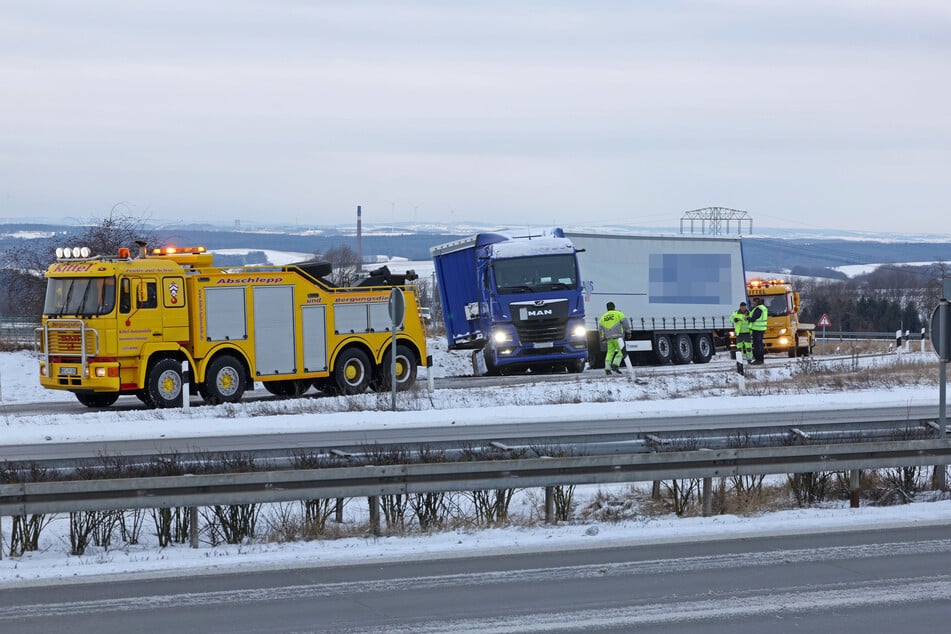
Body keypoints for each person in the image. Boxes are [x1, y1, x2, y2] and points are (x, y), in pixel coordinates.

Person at [599, 301, 627, 375]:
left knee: (609, 353)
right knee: (621, 351)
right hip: (618, 337)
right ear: (614, 307)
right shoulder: (619, 313)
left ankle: (607, 369)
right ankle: (615, 365)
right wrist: (628, 331)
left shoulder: (603, 317)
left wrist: (603, 338)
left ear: (607, 308)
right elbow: (625, 323)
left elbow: (601, 329)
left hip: (609, 338)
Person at [749, 296, 768, 364]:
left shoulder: (758, 309)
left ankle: (758, 360)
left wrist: (748, 318)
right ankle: (761, 359)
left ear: (756, 302)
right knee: (760, 345)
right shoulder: (764, 308)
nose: (753, 303)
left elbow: (753, 319)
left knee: (757, 345)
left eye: (754, 302)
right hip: (762, 329)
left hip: (757, 329)